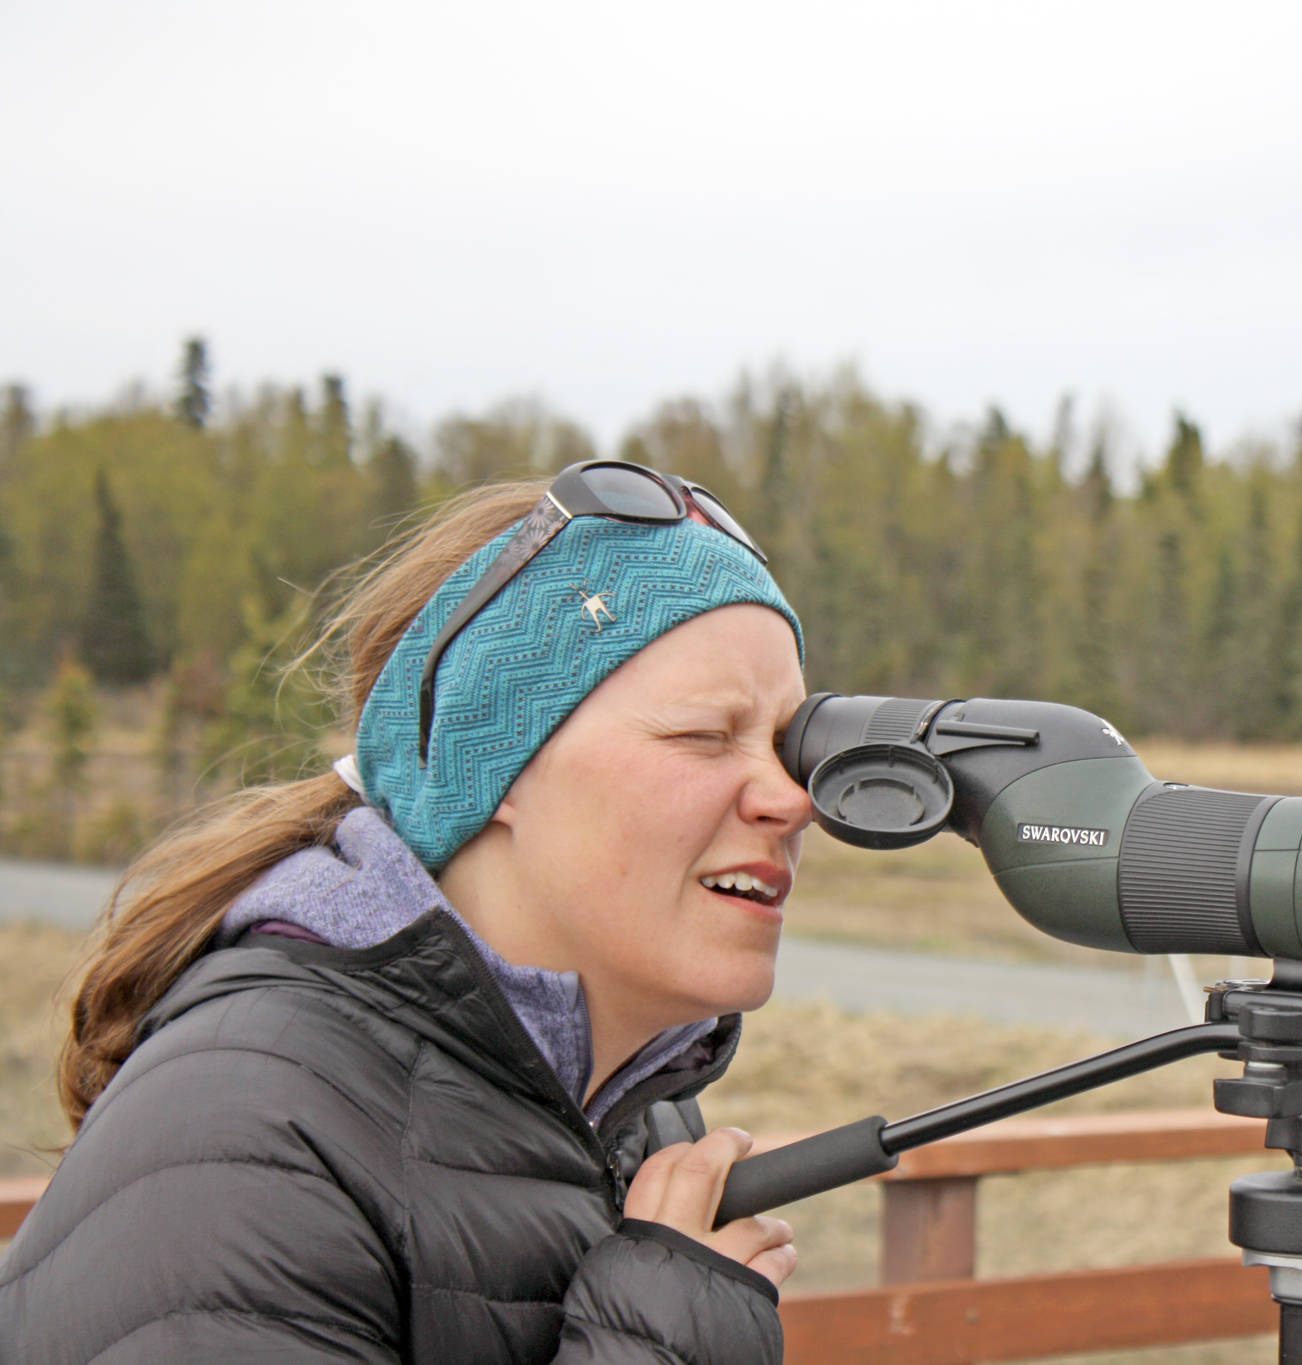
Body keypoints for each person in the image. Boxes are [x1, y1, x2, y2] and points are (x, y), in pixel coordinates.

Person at [1, 460, 815, 1363]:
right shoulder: (247, 1134)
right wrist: (663, 1338)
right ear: (493, 760)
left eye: (791, 745)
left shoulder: (627, 1109)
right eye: (706, 734)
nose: (795, 799)